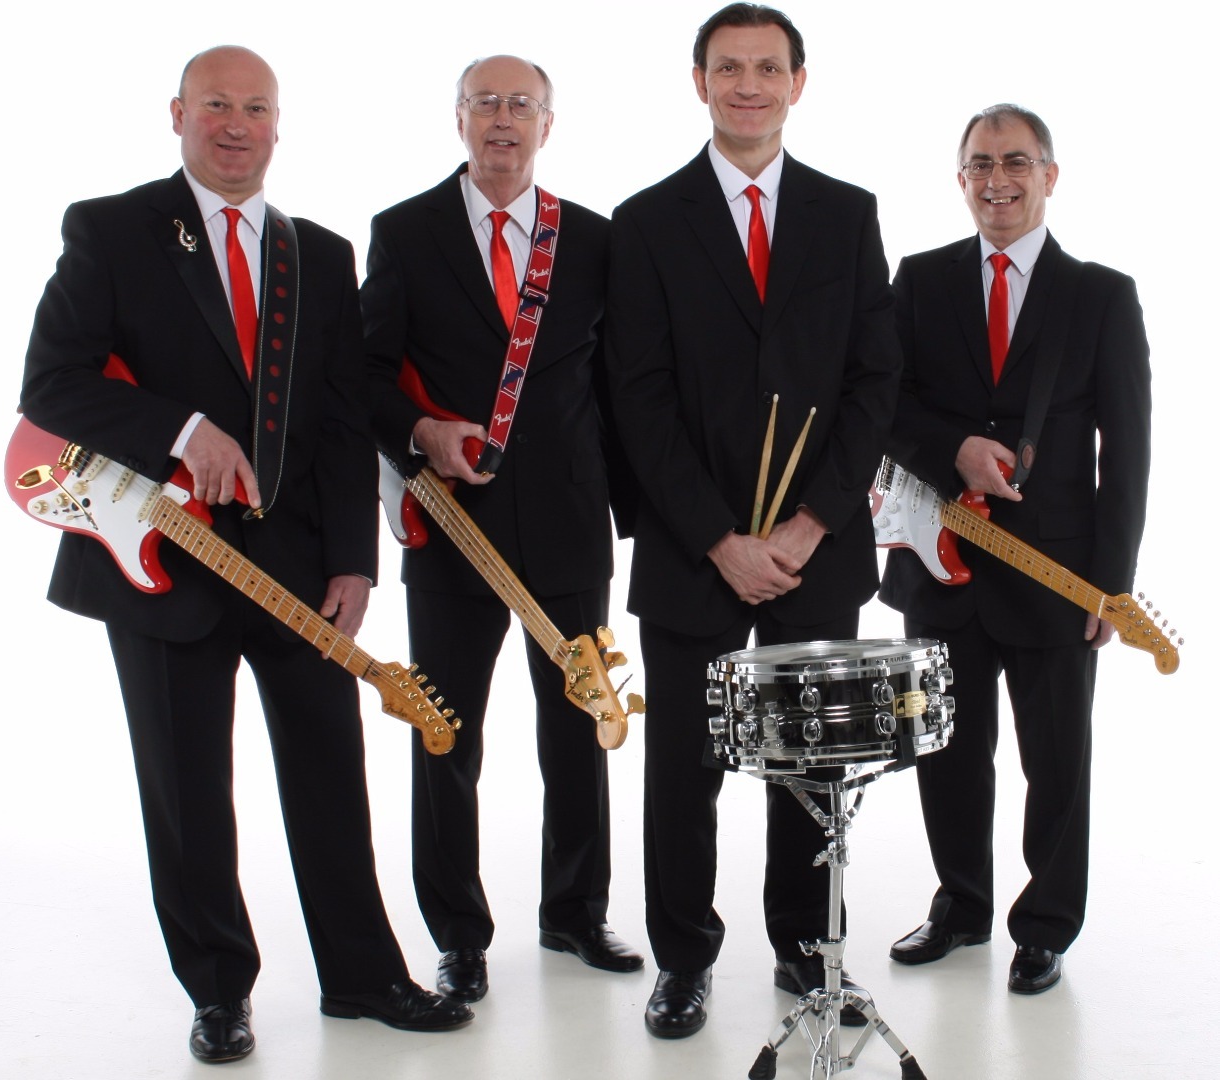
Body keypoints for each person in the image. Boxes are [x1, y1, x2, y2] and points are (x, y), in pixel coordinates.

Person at [18, 46, 473, 1063]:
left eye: (255, 108)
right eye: (216, 104)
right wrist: (182, 432)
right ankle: (218, 993)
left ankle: (363, 977)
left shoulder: (320, 253)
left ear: (278, 123)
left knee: (331, 775)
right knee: (186, 793)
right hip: (158, 558)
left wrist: (354, 559)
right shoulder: (112, 229)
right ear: (177, 114)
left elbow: (343, 421)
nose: (236, 124)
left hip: (298, 565)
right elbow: (49, 385)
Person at [606, 3, 901, 1038]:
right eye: (727, 67)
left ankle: (808, 949)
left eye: (766, 68)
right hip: (694, 550)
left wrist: (812, 522)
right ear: (699, 83)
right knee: (683, 770)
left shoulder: (847, 213)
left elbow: (874, 381)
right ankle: (683, 959)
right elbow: (636, 394)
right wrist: (717, 538)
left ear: (796, 83)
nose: (747, 85)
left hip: (814, 551)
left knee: (809, 767)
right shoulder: (646, 220)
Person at [361, 54, 642, 1005]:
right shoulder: (404, 232)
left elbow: (618, 387)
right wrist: (420, 433)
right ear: (459, 119)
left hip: (569, 521)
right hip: (452, 523)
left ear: (547, 126)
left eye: (522, 105)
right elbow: (362, 375)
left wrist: (638, 518)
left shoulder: (594, 239)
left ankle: (576, 912)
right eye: (485, 103)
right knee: (445, 734)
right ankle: (458, 935)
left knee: (580, 726)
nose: (503, 119)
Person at [879, 104, 1151, 994]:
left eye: (1016, 162)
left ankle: (1046, 926)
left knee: (1057, 761)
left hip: (1058, 574)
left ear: (1049, 175)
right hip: (940, 564)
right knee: (948, 753)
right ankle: (960, 907)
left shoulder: (1102, 294)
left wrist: (1110, 585)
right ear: (960, 179)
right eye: (980, 164)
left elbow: (1128, 450)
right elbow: (881, 404)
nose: (997, 180)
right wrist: (952, 449)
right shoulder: (919, 279)